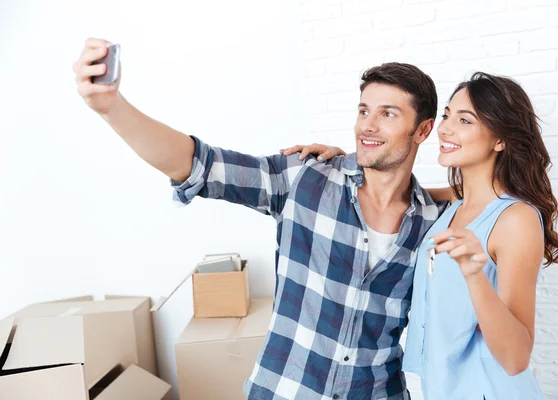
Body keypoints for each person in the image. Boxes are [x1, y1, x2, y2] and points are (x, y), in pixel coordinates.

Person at [73, 38, 448, 399]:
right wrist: (112, 107)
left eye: (388, 114)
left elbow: (495, 194)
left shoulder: (434, 221)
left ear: (423, 130)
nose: (368, 125)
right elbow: (201, 165)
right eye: (364, 110)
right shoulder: (306, 178)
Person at [287, 72, 558, 399]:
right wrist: (350, 166)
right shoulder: (450, 208)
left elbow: (515, 359)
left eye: (465, 121)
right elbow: (394, 193)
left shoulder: (516, 219)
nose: (446, 128)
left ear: (500, 139)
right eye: (448, 115)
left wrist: (474, 275)